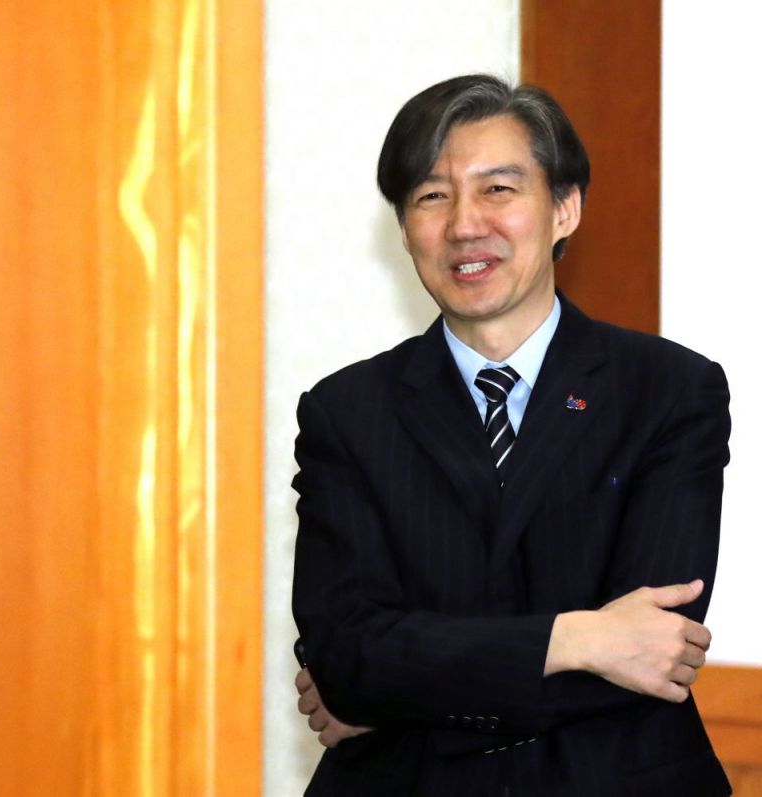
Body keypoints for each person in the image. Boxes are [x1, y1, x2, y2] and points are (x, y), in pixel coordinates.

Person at [290, 74, 732, 796]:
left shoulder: (669, 391)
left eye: (498, 189)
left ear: (564, 208)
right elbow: (349, 658)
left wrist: (399, 696)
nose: (465, 224)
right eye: (432, 196)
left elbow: (652, 649)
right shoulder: (346, 412)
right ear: (404, 229)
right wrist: (575, 639)